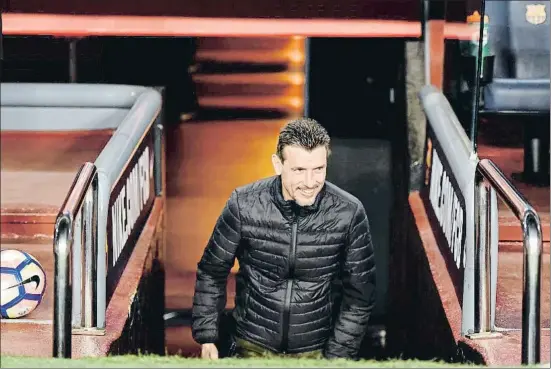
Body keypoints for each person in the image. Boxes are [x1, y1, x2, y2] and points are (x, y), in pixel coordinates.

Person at [191, 117, 377, 360]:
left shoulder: (349, 213)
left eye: (318, 169)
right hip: (251, 347)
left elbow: (360, 295)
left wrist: (338, 357)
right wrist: (207, 337)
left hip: (316, 353)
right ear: (278, 164)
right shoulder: (243, 204)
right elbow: (212, 271)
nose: (310, 183)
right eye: (299, 170)